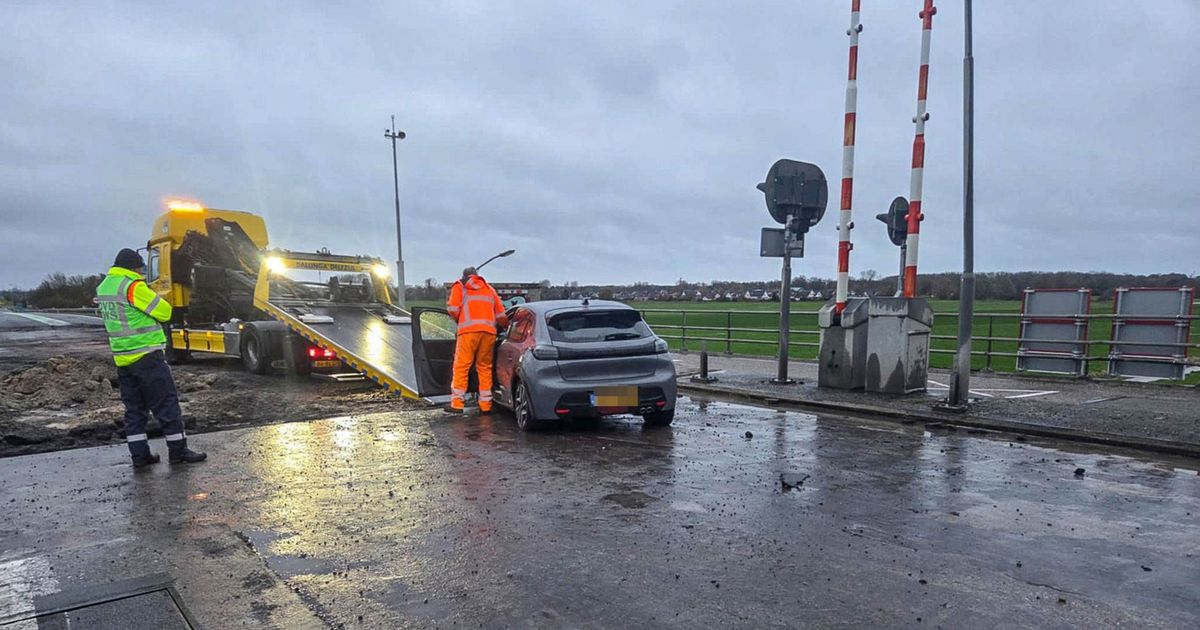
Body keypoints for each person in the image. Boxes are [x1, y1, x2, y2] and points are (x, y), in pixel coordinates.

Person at [96, 248, 206, 467]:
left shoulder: (104, 287)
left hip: (123, 359)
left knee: (135, 410)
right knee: (166, 404)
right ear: (134, 267)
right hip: (146, 355)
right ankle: (178, 451)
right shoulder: (132, 286)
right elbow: (164, 312)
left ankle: (140, 456)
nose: (142, 271)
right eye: (140, 268)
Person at [445, 266, 508, 413]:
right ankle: (486, 406)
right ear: (477, 275)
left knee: (462, 366)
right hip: (488, 333)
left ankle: (457, 404)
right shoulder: (489, 289)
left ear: (464, 275)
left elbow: (453, 309)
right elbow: (501, 315)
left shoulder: (460, 286)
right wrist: (507, 327)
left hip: (468, 332)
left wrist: (459, 320)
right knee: (484, 367)